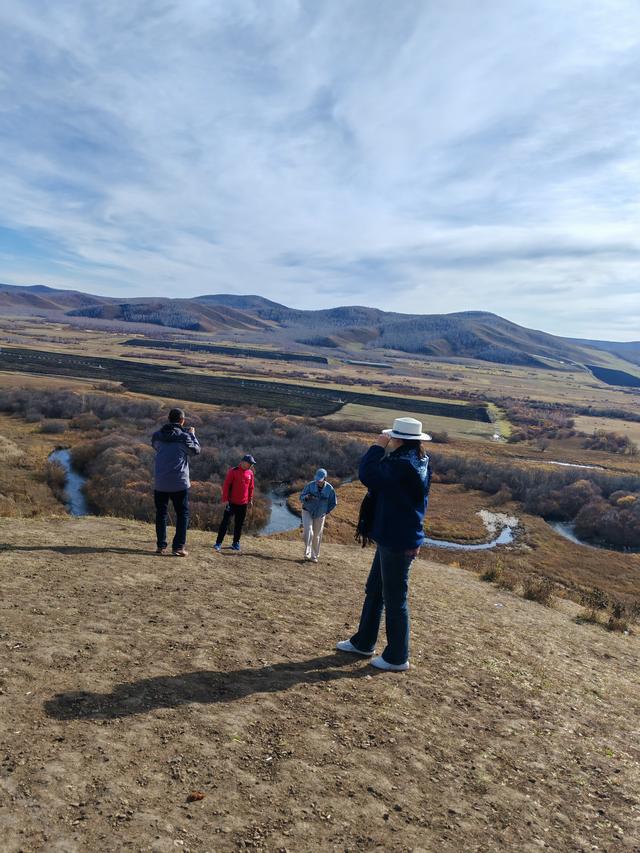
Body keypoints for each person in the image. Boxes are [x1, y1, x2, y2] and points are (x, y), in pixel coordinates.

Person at [337, 417, 432, 672]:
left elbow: (368, 474)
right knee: (376, 590)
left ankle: (397, 657)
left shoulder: (402, 466)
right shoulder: (419, 461)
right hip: (396, 535)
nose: (388, 440)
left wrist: (377, 447)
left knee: (394, 599)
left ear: (399, 440)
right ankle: (364, 641)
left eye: (391, 437)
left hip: (397, 539)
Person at [151, 407, 201, 557]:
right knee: (182, 514)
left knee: (161, 514)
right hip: (179, 482)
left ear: (169, 419)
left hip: (160, 482)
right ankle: (178, 547)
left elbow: (156, 447)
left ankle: (161, 546)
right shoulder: (184, 437)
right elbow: (195, 451)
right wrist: (192, 435)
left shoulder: (157, 436)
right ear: (182, 420)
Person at [214, 454, 256, 552]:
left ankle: (236, 543)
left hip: (243, 503)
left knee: (239, 524)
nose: (251, 465)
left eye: (252, 464)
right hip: (231, 503)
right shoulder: (233, 471)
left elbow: (251, 488)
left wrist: (250, 500)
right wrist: (225, 500)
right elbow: (226, 485)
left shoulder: (250, 473)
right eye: (249, 463)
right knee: (225, 523)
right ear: (243, 462)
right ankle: (218, 543)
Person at [299, 468, 337, 562]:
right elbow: (301, 497)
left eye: (320, 480)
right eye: (317, 479)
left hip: (320, 514)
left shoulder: (330, 489)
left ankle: (314, 556)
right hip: (307, 510)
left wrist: (326, 511)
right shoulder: (310, 485)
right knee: (308, 531)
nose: (318, 482)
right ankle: (307, 551)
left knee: (316, 535)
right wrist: (307, 497)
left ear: (325, 479)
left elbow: (333, 503)